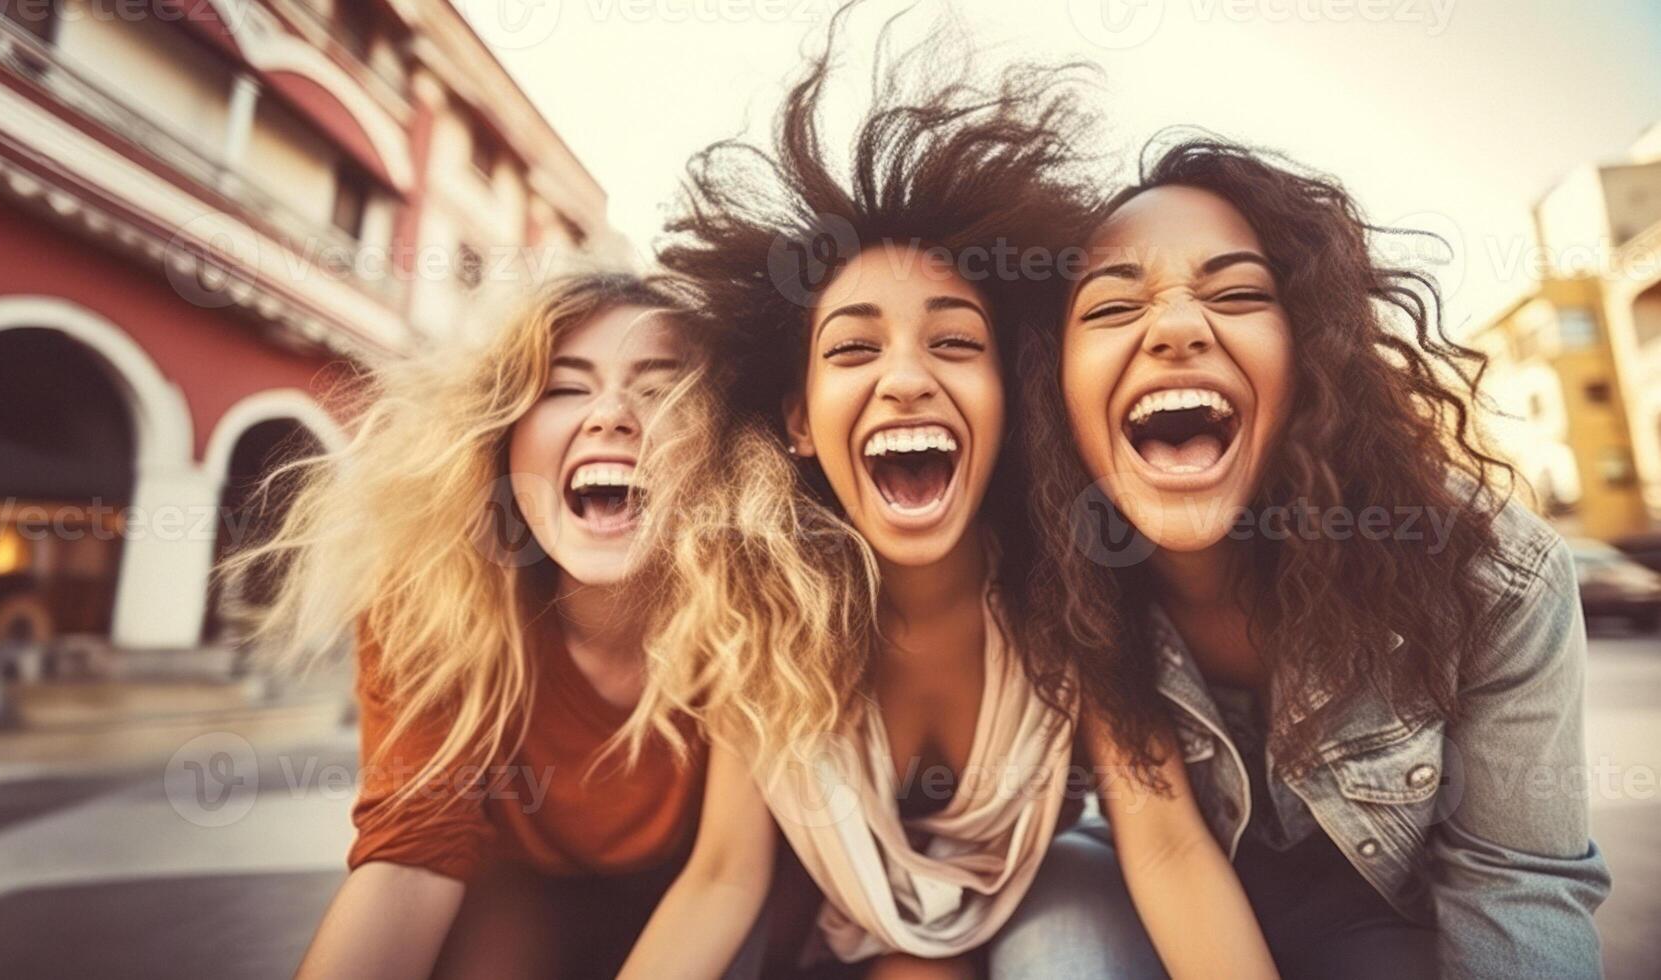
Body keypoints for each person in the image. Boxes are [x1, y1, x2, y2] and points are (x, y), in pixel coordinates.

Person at [622, 36, 1277, 979]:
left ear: (1009, 401)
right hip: (843, 923)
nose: (904, 381)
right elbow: (722, 878)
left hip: (1050, 897)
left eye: (954, 344)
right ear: (799, 421)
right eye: (852, 351)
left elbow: (1168, 847)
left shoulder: (1066, 592)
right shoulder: (758, 609)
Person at [1014, 137, 1611, 978]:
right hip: (1142, 902)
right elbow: (1163, 852)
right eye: (1111, 309)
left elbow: (1517, 882)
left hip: (1378, 919)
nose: (1178, 327)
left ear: (1313, 359)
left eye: (1239, 293)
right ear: (1053, 388)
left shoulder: (1491, 575)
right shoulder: (1050, 572)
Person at [231, 271, 784, 979]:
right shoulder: (435, 593)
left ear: (723, 452)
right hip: (514, 888)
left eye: (657, 390)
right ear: (502, 439)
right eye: (564, 387)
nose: (611, 414)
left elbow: (725, 876)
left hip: (705, 895)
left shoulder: (760, 607)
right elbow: (408, 859)